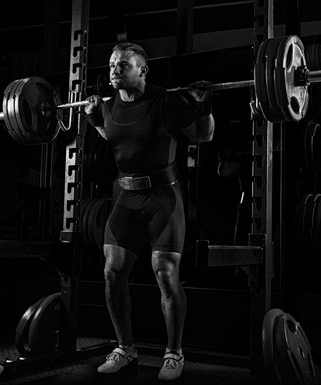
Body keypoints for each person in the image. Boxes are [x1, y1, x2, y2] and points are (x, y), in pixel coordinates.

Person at [84, 41, 215, 381]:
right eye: (112, 64)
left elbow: (205, 136)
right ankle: (125, 349)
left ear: (142, 70)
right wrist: (94, 119)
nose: (114, 70)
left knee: (165, 273)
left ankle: (174, 354)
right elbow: (114, 139)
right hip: (126, 197)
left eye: (122, 65)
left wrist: (204, 108)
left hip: (163, 197)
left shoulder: (166, 101)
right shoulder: (109, 106)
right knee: (112, 272)